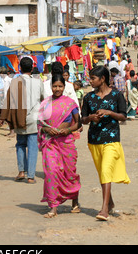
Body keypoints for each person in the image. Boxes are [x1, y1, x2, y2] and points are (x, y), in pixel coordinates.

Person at [81, 66, 130, 221]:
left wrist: (109, 113)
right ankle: (110, 203)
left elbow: (123, 116)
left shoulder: (117, 95)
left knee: (106, 171)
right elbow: (82, 119)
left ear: (102, 79)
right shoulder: (88, 97)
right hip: (94, 140)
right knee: (103, 173)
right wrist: (91, 118)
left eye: (93, 78)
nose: (90, 81)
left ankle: (104, 210)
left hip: (111, 140)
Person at [38, 74, 81, 218]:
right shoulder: (45, 103)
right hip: (50, 143)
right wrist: (46, 129)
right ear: (51, 87)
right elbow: (39, 125)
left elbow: (78, 123)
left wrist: (68, 130)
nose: (57, 89)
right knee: (51, 172)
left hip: (66, 143)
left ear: (64, 87)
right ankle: (53, 207)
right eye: (54, 86)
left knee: (69, 173)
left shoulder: (70, 103)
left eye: (60, 86)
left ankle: (75, 202)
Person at [0, 57, 44, 184]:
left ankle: (21, 171)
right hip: (34, 119)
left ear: (19, 68)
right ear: (32, 68)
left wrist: (3, 116)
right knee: (32, 147)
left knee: (20, 144)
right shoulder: (38, 81)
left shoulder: (15, 82)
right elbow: (44, 99)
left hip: (19, 118)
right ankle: (30, 176)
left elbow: (8, 100)